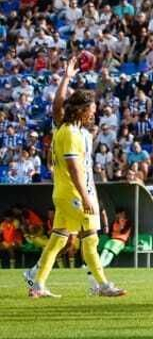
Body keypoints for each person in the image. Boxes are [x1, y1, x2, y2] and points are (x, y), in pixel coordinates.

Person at [25, 58, 126, 298]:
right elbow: (75, 169)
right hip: (74, 193)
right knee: (90, 239)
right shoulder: (71, 133)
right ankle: (102, 285)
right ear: (81, 110)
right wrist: (85, 196)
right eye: (91, 109)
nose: (95, 113)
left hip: (64, 193)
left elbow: (57, 105)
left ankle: (37, 285)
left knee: (58, 239)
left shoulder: (66, 127)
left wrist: (67, 77)